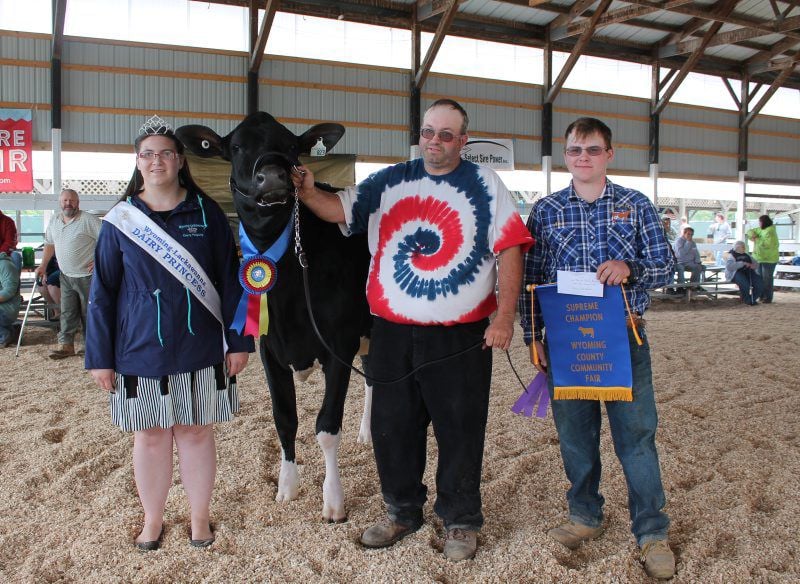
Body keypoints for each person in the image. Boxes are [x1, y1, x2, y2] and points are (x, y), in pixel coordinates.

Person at [291, 99, 533, 561]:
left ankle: (461, 519)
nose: (434, 141)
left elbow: (510, 247)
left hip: (460, 336)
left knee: (460, 430)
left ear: (463, 141)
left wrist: (504, 317)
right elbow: (336, 209)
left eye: (446, 134)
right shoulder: (390, 181)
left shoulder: (485, 184)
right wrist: (304, 190)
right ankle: (401, 510)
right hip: (392, 333)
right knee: (392, 427)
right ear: (419, 135)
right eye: (428, 132)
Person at [85, 116, 254, 551]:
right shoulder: (119, 220)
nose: (156, 160)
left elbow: (230, 278)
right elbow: (102, 292)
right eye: (148, 153)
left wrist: (238, 341)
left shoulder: (206, 212)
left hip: (200, 344)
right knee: (151, 435)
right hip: (138, 348)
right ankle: (153, 520)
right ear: (137, 162)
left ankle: (200, 518)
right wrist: (99, 356)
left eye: (165, 153)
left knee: (196, 430)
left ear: (179, 161)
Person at [519, 117, 675, 579]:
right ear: (564, 156)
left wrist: (631, 267)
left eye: (591, 149)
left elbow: (665, 266)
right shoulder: (545, 210)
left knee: (636, 437)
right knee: (575, 437)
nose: (582, 157)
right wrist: (532, 338)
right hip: (566, 340)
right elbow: (531, 279)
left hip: (625, 335)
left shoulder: (636, 204)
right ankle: (585, 515)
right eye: (574, 150)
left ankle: (651, 530)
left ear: (610, 153)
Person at [35, 189, 101, 359]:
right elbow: (49, 243)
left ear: (78, 203)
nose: (68, 203)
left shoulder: (89, 220)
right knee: (67, 311)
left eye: (72, 200)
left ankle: (90, 347)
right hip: (66, 274)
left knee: (89, 312)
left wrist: (100, 259)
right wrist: (42, 265)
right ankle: (66, 345)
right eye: (65, 200)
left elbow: (107, 240)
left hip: (87, 276)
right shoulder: (55, 220)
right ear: (59, 202)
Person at [746, 215, 779, 304]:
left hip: (769, 259)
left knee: (767, 279)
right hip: (759, 258)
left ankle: (768, 297)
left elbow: (768, 244)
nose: (759, 224)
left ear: (764, 222)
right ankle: (761, 296)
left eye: (760, 222)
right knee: (759, 279)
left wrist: (756, 239)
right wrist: (752, 235)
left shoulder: (770, 231)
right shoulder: (761, 229)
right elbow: (750, 231)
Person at [724, 241, 763, 306]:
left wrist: (752, 265)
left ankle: (751, 299)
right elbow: (729, 267)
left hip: (748, 272)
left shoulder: (747, 255)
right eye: (743, 247)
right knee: (745, 284)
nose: (744, 248)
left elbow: (756, 263)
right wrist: (742, 263)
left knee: (759, 284)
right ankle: (747, 300)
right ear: (738, 247)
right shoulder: (731, 255)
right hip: (736, 273)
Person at [0, 250, 21, 348]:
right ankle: (11, 331)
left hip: (6, 310)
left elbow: (9, 291)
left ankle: (4, 335)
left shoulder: (4, 265)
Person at [38, 255, 61, 319]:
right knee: (41, 281)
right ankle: (56, 310)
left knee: (52, 280)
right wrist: (44, 273)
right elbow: (48, 259)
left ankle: (63, 311)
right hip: (53, 266)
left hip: (66, 268)